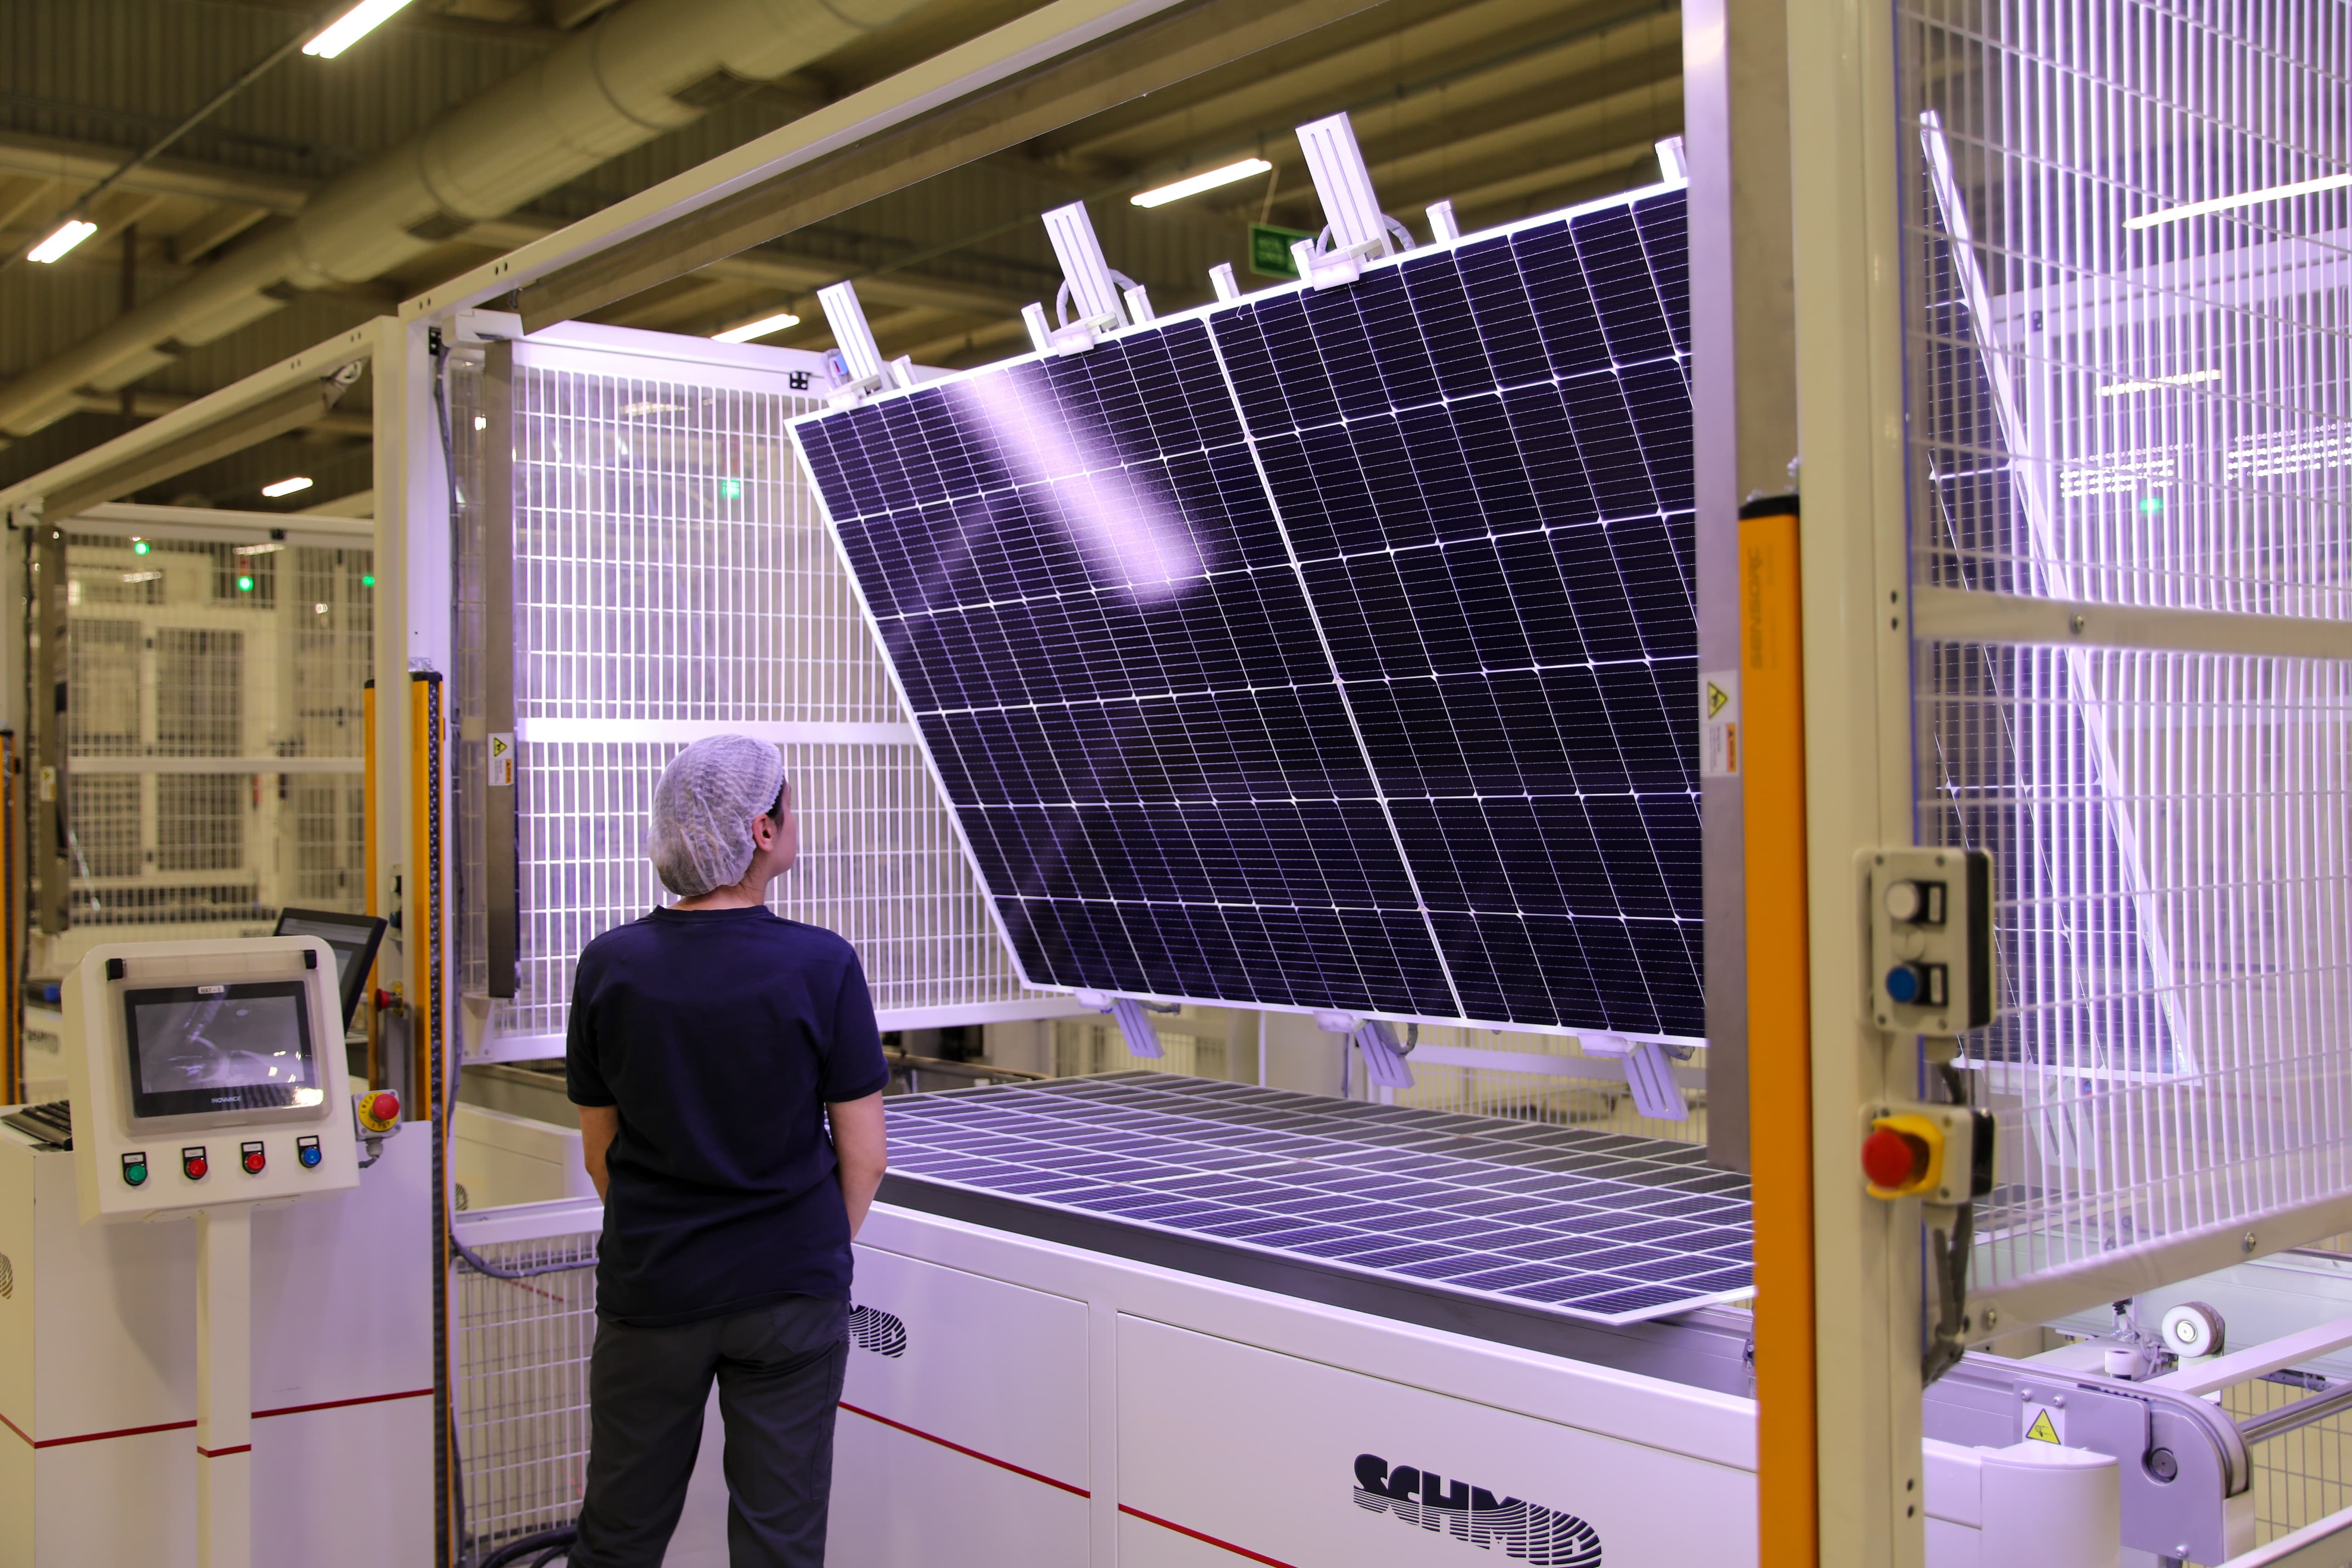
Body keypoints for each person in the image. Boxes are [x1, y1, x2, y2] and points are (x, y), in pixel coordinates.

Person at [566, 734, 890, 1568]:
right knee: (780, 1542)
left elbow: (601, 1153)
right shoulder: (823, 965)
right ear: (761, 829)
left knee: (619, 1535)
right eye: (789, 807)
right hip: (788, 1295)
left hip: (654, 1288)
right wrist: (804, 1249)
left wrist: (668, 1235)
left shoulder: (610, 965)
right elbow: (865, 1155)